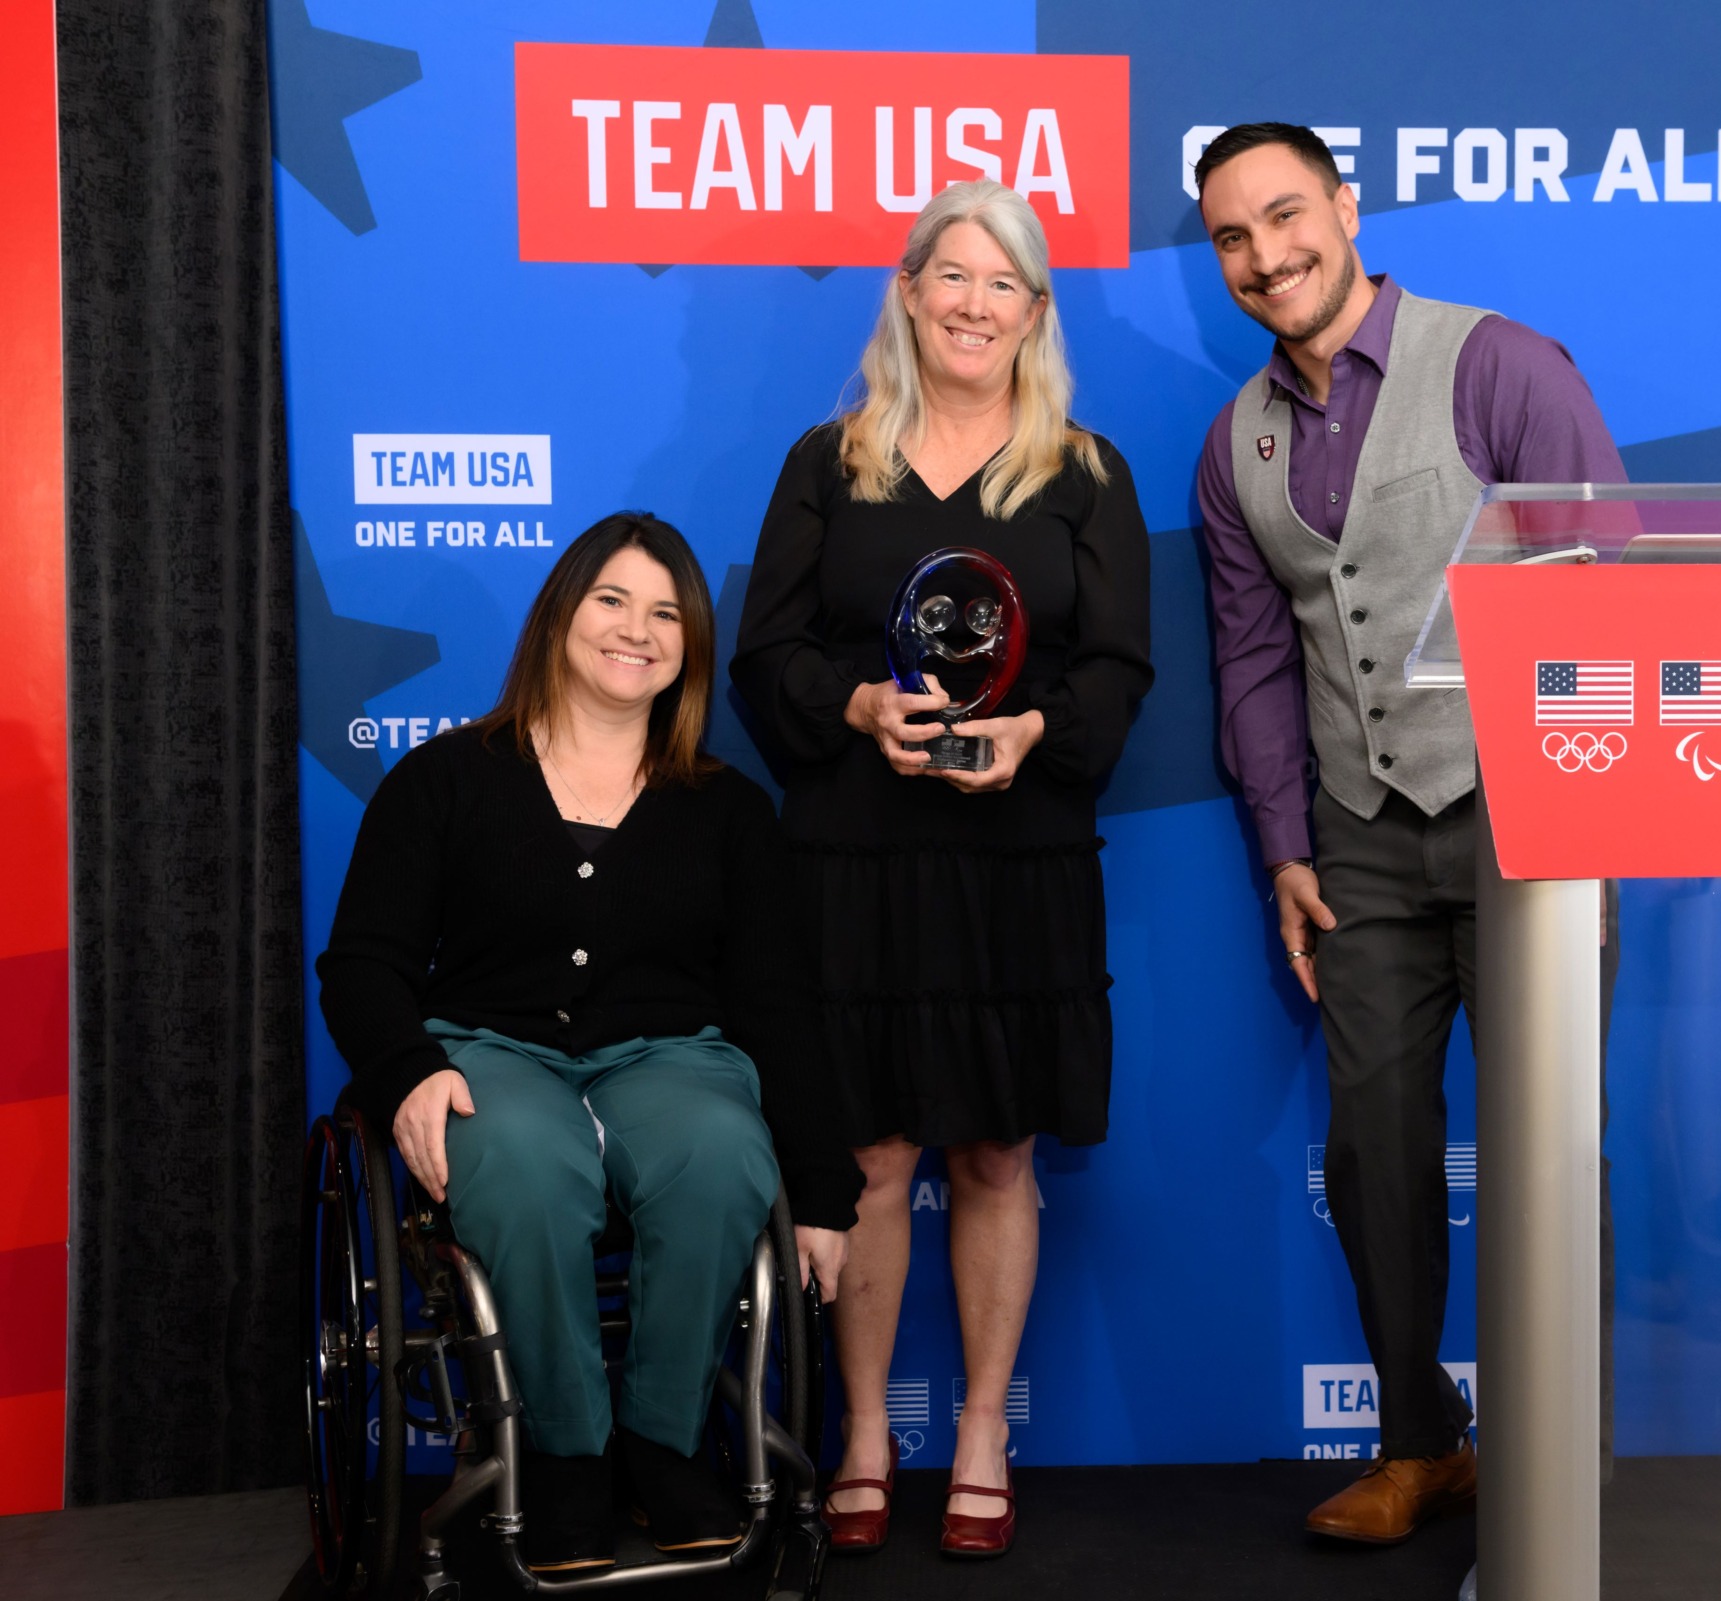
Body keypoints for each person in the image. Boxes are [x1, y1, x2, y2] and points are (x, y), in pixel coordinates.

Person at [1193, 124, 1625, 1545]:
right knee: (1374, 1147)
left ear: (1348, 209)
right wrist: (1286, 850)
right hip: (1360, 837)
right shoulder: (1235, 442)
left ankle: (1557, 1445)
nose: (1265, 256)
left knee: (1546, 1145)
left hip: (1527, 821)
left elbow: (1602, 606)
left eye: (1286, 217)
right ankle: (1416, 1441)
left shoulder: (1504, 365)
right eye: (1233, 239)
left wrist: (1576, 809)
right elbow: (1253, 661)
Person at [731, 180, 1151, 1559]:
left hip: (1015, 860)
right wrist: (859, 709)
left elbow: (1121, 668)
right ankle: (864, 1430)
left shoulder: (1085, 472)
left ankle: (980, 1428)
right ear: (907, 292)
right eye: (951, 276)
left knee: (995, 1145)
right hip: (857, 855)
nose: (975, 305)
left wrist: (1037, 728)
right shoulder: (826, 462)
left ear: (1036, 312)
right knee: (868, 1152)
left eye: (1005, 284)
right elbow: (762, 661)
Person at [317, 512, 862, 1572]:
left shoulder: (729, 811)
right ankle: (565, 1455)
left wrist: (825, 1193)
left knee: (715, 1153)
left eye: (667, 613)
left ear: (691, 648)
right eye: (612, 598)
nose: (637, 629)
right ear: (561, 612)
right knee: (521, 1165)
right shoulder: (443, 780)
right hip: (490, 1051)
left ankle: (664, 1442)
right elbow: (364, 965)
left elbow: (778, 1005)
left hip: (668, 1057)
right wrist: (406, 1072)